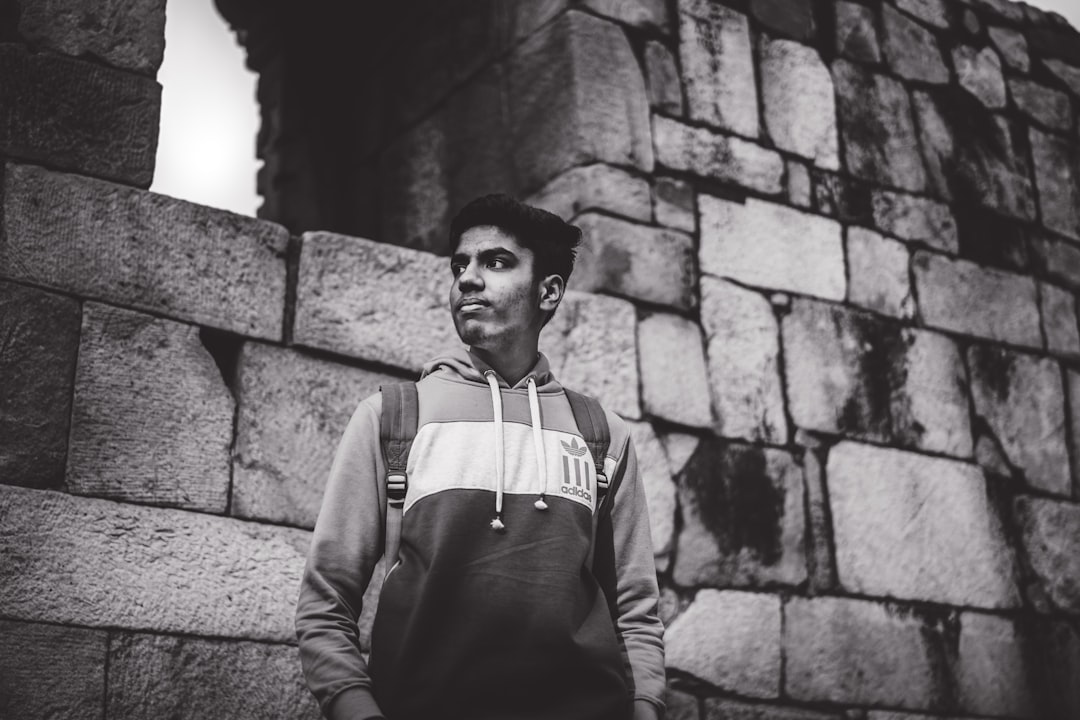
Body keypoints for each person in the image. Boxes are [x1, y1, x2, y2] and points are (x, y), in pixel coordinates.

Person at [295, 194, 666, 720]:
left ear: (549, 291)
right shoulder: (393, 417)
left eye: (496, 262)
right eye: (460, 264)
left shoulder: (602, 434)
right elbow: (326, 600)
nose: (468, 278)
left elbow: (635, 610)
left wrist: (646, 708)